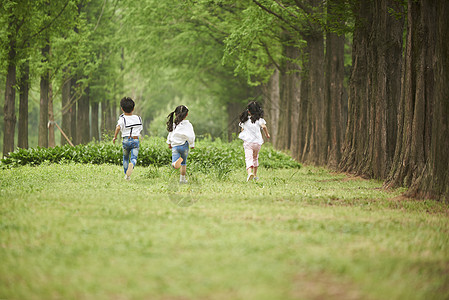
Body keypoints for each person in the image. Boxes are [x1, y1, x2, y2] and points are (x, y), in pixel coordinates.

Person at [238, 101, 270, 181]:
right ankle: (255, 175)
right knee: (255, 158)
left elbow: (242, 130)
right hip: (257, 143)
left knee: (248, 158)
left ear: (248, 111)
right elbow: (264, 127)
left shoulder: (245, 120)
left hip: (248, 143)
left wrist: (244, 134)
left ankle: (249, 173)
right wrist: (267, 135)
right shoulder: (260, 120)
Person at [113, 97, 143, 181]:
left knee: (125, 157)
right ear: (133, 109)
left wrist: (115, 137)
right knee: (134, 158)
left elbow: (118, 128)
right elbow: (140, 129)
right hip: (135, 140)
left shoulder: (122, 118)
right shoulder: (138, 118)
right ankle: (132, 164)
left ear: (122, 109)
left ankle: (127, 175)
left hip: (126, 140)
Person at [166, 105, 195, 184]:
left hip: (175, 146)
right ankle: (182, 180)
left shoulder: (174, 124)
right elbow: (191, 135)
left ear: (175, 114)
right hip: (185, 146)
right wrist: (192, 144)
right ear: (186, 114)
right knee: (184, 164)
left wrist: (169, 143)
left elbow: (170, 134)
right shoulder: (188, 125)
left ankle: (176, 163)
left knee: (174, 165)